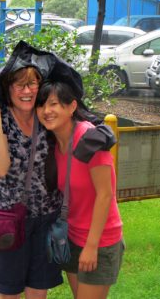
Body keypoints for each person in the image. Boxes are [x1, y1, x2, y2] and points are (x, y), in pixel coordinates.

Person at [0, 41, 64, 299]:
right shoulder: (1, 118)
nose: (27, 91)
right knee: (9, 292)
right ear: (8, 87)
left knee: (39, 290)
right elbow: (0, 167)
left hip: (47, 217)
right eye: (20, 84)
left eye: (33, 84)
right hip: (9, 218)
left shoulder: (45, 115)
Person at [36, 80, 124, 299]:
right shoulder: (54, 142)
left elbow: (105, 195)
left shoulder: (90, 139)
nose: (46, 111)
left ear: (72, 106)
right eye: (41, 105)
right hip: (72, 236)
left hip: (100, 240)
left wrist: (92, 246)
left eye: (54, 104)